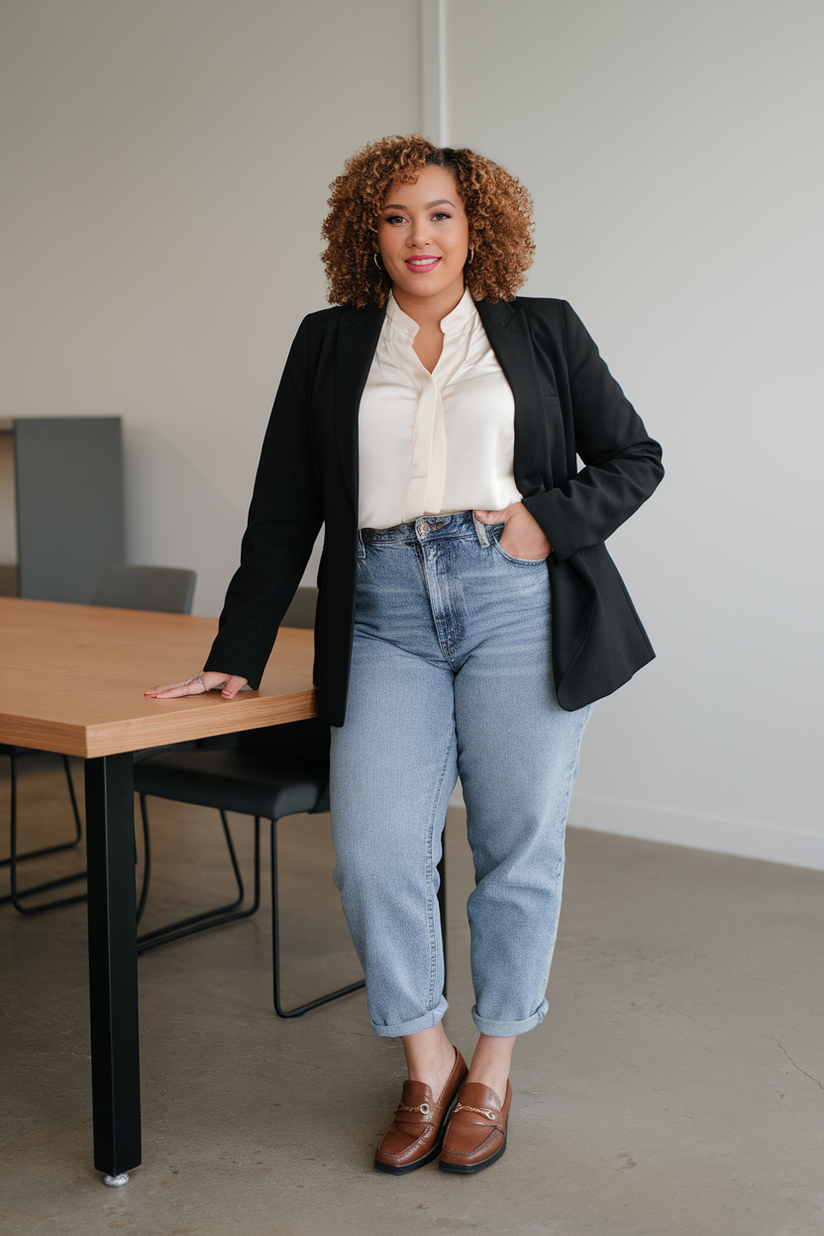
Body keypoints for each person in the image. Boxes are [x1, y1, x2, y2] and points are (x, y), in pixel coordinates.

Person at [146, 135, 663, 1175]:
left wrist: (540, 522)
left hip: (515, 599)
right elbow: (284, 506)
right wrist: (237, 650)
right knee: (377, 849)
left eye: (437, 214)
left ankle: (493, 1069)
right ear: (365, 233)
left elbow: (631, 457)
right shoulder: (330, 343)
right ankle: (426, 1062)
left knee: (516, 847)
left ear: (476, 226)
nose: (417, 236)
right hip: (380, 608)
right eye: (394, 217)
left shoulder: (539, 330)